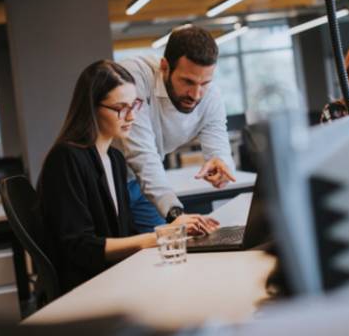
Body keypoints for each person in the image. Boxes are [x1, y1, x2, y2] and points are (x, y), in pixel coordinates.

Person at [38, 60, 217, 293]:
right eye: (121, 108)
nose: (132, 117)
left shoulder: (114, 159)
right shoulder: (66, 159)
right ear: (92, 108)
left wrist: (175, 232)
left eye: (135, 105)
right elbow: (80, 247)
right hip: (90, 289)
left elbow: (125, 234)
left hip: (116, 278)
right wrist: (158, 237)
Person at [122, 25, 236, 232]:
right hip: (105, 181)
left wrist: (222, 166)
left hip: (144, 186)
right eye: (187, 82)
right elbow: (142, 153)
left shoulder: (210, 96)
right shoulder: (133, 76)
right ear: (164, 66)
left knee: (158, 248)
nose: (196, 94)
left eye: (205, 83)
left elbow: (218, 146)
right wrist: (176, 213)